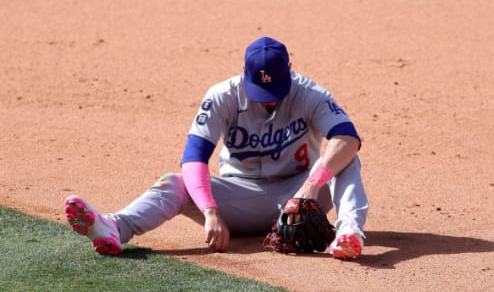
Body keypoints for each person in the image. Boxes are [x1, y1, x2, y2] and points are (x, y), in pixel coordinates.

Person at [64, 36, 368, 260]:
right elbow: (193, 158)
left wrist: (310, 188)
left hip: (300, 197)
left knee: (345, 160)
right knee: (175, 183)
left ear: (290, 73)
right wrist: (210, 211)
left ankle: (348, 233)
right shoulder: (223, 96)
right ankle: (115, 227)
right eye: (260, 92)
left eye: (274, 91)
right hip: (238, 199)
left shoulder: (310, 93)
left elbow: (348, 137)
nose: (268, 100)